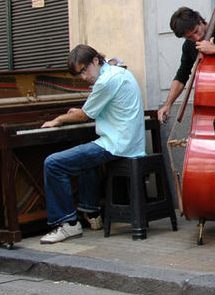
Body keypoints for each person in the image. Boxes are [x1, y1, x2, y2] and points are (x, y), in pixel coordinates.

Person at [39, 44, 145, 244]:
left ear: (95, 60)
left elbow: (84, 115)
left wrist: (59, 119)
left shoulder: (105, 81)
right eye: (79, 74)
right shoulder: (118, 72)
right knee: (87, 158)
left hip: (117, 144)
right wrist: (80, 112)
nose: (83, 77)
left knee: (53, 163)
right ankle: (91, 213)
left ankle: (68, 224)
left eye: (84, 71)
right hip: (129, 141)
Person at [157, 7, 215, 124]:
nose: (196, 38)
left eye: (196, 31)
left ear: (200, 20)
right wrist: (168, 104)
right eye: (190, 37)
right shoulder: (189, 46)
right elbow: (181, 76)